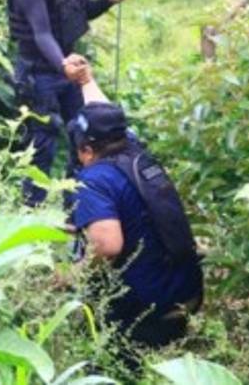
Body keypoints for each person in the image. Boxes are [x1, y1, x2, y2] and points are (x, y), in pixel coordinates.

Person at [64, 56, 203, 361]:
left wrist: (69, 276)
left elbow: (107, 246)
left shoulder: (94, 179)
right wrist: (86, 81)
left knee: (107, 367)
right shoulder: (135, 151)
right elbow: (105, 113)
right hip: (185, 293)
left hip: (145, 313)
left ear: (86, 150)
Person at [7, 0, 129, 205]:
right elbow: (41, 33)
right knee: (42, 144)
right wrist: (62, 64)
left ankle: (75, 208)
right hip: (39, 72)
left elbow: (82, 12)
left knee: (84, 136)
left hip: (69, 68)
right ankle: (31, 211)